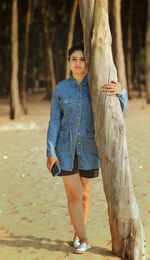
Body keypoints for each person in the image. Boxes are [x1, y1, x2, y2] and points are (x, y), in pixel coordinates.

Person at [46, 42, 128, 253]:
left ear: (88, 62)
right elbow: (54, 121)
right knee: (74, 194)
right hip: (65, 149)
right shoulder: (61, 89)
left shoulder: (97, 84)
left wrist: (121, 92)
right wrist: (50, 151)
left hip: (90, 149)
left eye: (83, 59)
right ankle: (84, 238)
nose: (78, 63)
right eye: (74, 59)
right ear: (69, 62)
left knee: (85, 195)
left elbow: (118, 109)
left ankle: (76, 233)